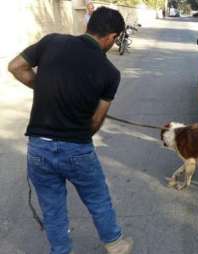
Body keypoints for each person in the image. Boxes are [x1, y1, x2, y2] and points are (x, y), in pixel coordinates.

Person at [8, 7, 133, 254]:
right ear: (112, 37)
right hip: (77, 147)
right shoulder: (111, 73)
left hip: (39, 147)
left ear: (90, 26)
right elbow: (96, 120)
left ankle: (61, 251)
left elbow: (15, 66)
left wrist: (43, 88)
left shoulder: (52, 41)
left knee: (52, 208)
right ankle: (115, 244)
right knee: (97, 198)